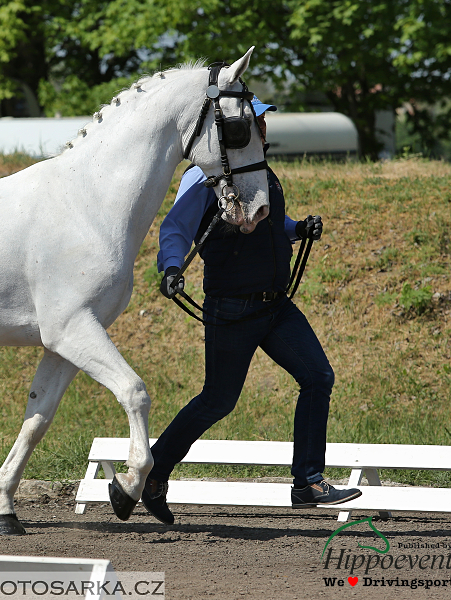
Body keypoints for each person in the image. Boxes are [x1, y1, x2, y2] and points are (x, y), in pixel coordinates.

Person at [142, 97, 361, 524]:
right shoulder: (201, 178)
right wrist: (171, 267)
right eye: (257, 120)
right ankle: (152, 473)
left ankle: (308, 482)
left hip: (275, 306)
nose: (263, 126)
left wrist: (296, 229)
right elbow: (176, 228)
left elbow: (261, 223)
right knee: (217, 401)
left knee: (318, 377)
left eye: (262, 120)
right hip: (233, 309)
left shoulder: (258, 172)